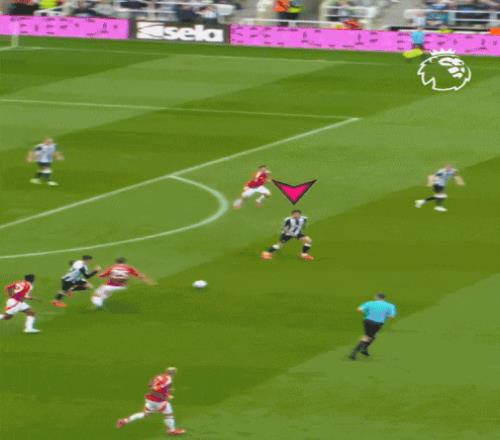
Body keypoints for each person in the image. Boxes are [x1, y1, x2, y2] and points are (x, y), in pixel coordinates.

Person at [116, 367, 186, 436]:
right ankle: (171, 431)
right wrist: (164, 397)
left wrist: (166, 391)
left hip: (150, 399)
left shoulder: (159, 376)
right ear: (174, 373)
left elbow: (149, 384)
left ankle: (124, 421)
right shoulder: (168, 380)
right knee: (168, 414)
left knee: (145, 414)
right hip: (158, 401)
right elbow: (154, 391)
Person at [349, 292, 396, 360]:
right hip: (378, 323)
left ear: (376, 297)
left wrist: (366, 313)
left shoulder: (369, 303)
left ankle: (363, 349)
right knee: (367, 337)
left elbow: (358, 309)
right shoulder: (390, 305)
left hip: (367, 321)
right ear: (384, 298)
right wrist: (384, 315)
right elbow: (392, 316)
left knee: (372, 336)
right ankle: (353, 353)